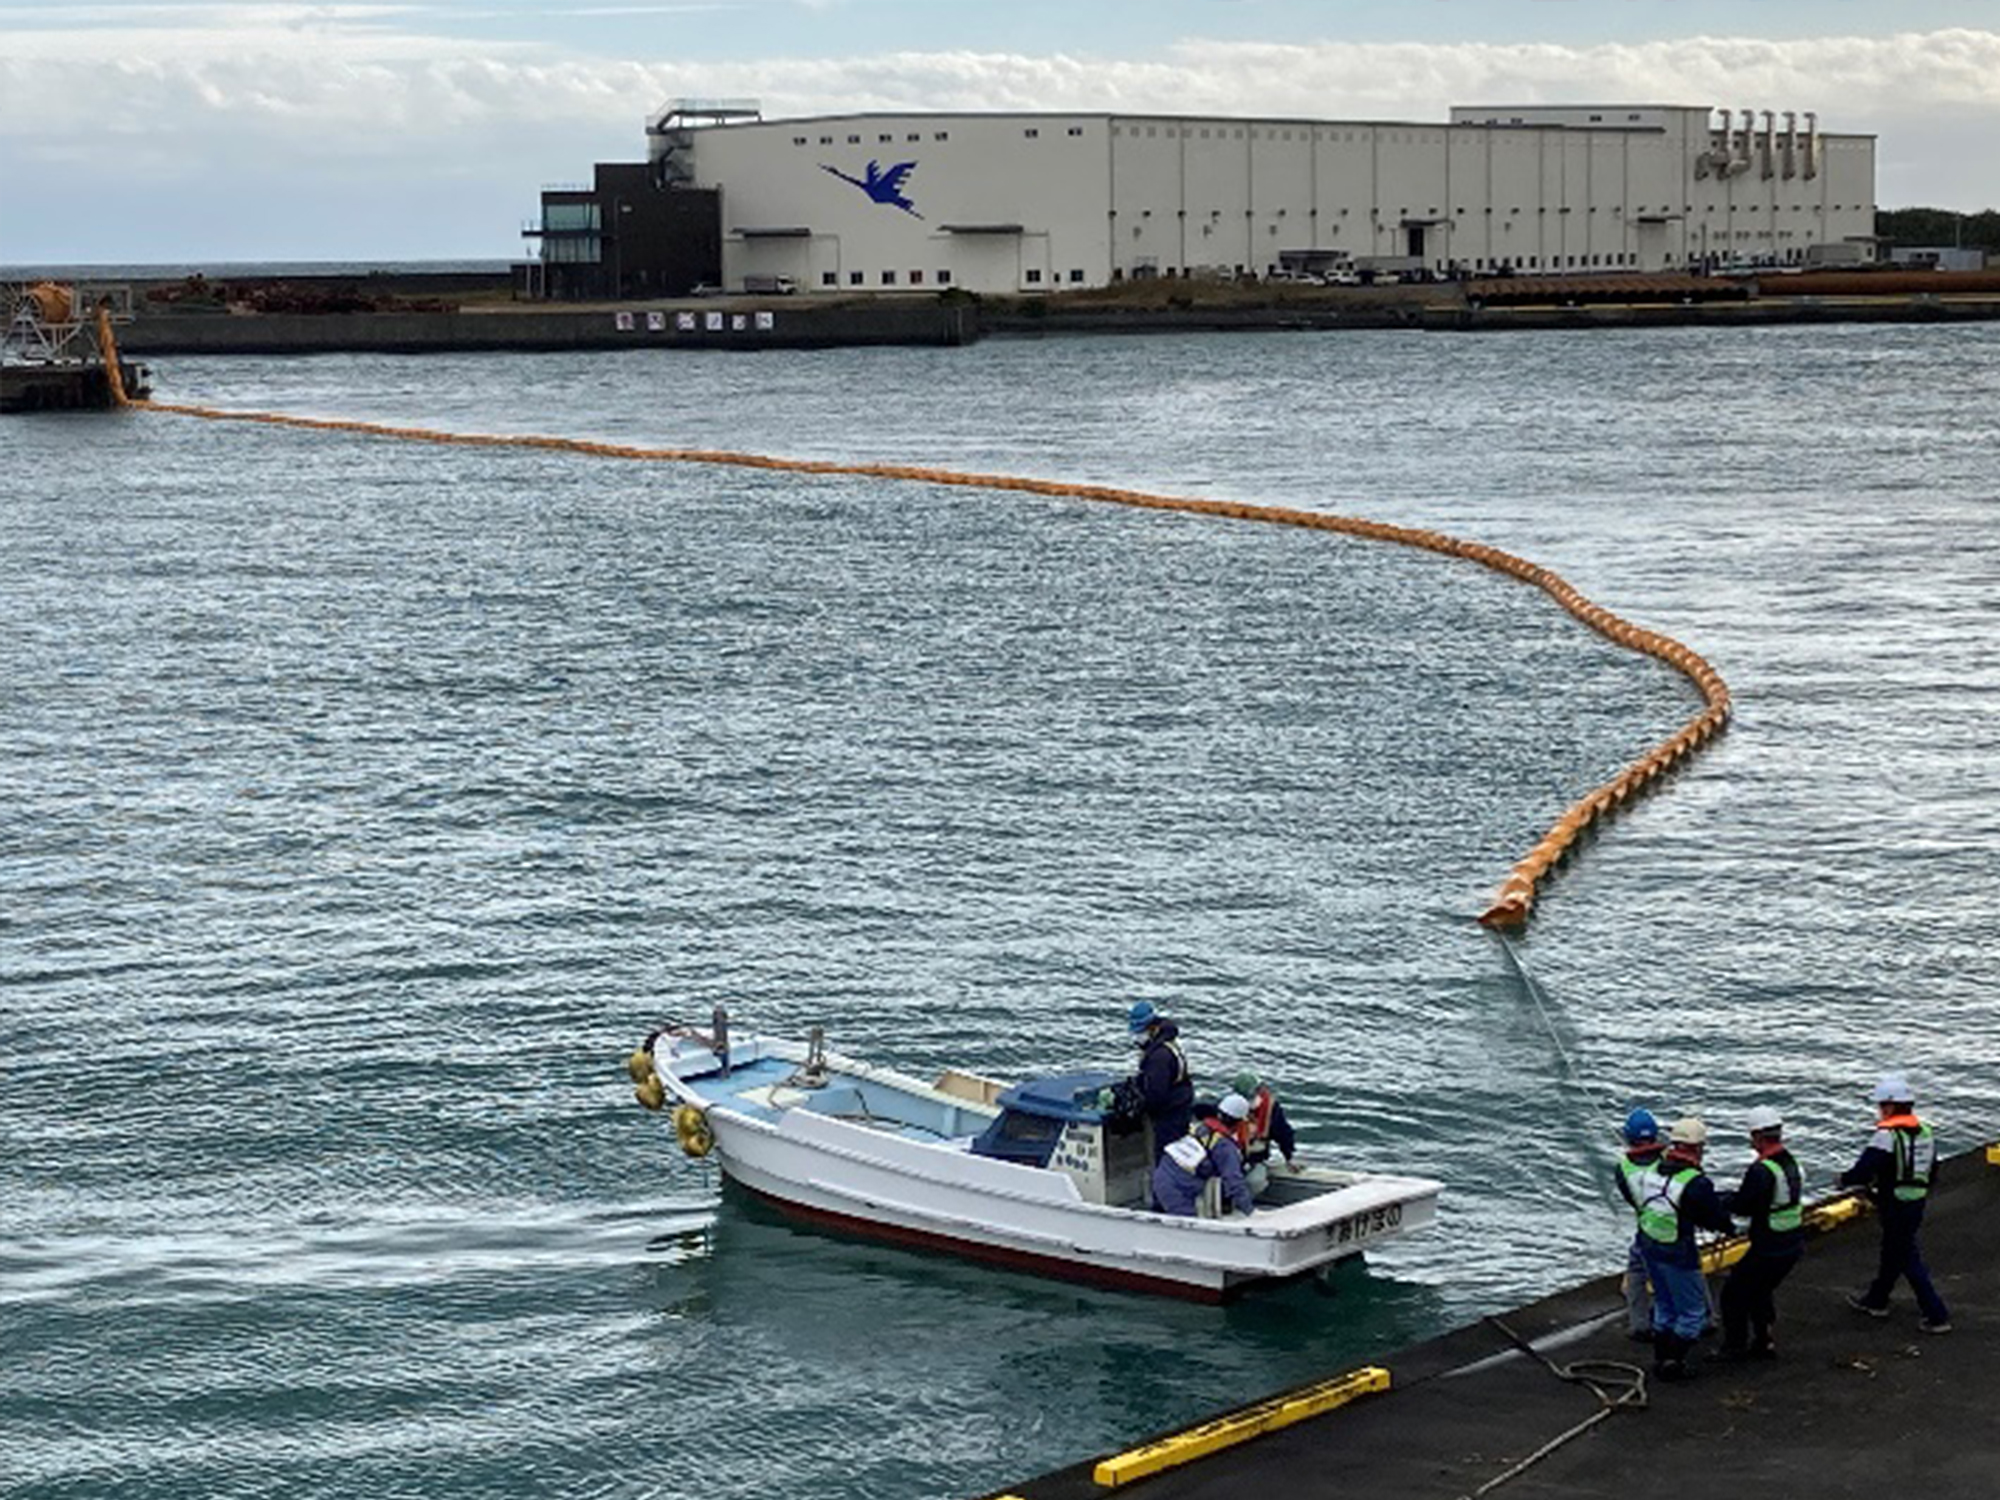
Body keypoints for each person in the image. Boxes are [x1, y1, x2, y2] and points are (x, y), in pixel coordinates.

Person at [1838, 1073, 1950, 1333]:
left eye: (1881, 1106)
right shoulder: (1926, 1132)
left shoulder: (1886, 1136)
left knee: (1906, 1256)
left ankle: (1936, 1314)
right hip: (1916, 1200)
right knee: (1894, 1251)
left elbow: (1865, 1169)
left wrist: (1844, 1180)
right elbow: (1933, 1170)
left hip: (1894, 1203)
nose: (1880, 1111)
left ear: (1889, 1106)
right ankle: (1877, 1300)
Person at [1634, 1116, 1737, 1380]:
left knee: (1665, 1306)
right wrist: (1729, 1225)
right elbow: (1712, 1217)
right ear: (1697, 1148)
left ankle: (1660, 1359)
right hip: (1677, 1251)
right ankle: (1673, 1363)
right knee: (1692, 1312)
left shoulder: (1651, 1172)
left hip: (1649, 1245)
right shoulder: (1695, 1182)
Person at [1717, 1105, 1805, 1359]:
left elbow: (1745, 1205)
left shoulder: (1762, 1170)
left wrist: (1722, 1201)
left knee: (1734, 1293)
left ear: (1757, 1137)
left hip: (1770, 1245)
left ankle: (1735, 1346)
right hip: (1792, 1242)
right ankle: (1764, 1341)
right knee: (1761, 1290)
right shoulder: (1792, 1163)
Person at [1151, 1093, 1256, 1218]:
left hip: (1161, 1174)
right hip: (1177, 1190)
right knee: (1185, 1231)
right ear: (1238, 1122)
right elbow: (1234, 1182)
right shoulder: (1224, 1146)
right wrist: (1251, 1213)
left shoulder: (1200, 1127)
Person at [1612, 1107, 1667, 1342]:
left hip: (1648, 1228)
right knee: (1687, 1270)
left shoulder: (1623, 1168)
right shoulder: (1667, 1162)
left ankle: (1640, 1324)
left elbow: (1631, 1199)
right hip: (1673, 1226)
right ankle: (1704, 1318)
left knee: (1637, 1272)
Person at [1127, 1000, 1193, 1159]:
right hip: (1181, 1104)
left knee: (1165, 1156)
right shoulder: (1169, 1044)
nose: (1138, 1036)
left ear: (1152, 1028)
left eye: (1140, 1031)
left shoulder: (1159, 1057)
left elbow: (1156, 1095)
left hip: (1170, 1114)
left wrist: (1139, 1106)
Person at [1226, 1070, 1299, 1196]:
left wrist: (1289, 1157)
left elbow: (1284, 1134)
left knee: (1255, 1181)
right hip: (1230, 1157)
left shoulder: (1271, 1109)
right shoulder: (1229, 1107)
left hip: (1256, 1159)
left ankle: (1243, 1205)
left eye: (1255, 1095)